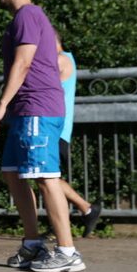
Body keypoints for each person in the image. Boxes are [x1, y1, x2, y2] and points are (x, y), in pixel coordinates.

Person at [0, 0, 85, 272]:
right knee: (13, 174)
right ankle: (32, 244)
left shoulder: (28, 15)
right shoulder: (24, 18)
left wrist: (2, 104)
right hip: (26, 111)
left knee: (46, 177)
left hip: (37, 109)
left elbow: (24, 62)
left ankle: (68, 252)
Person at [55, 31, 102, 237]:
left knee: (46, 178)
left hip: (56, 128)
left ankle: (85, 209)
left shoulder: (61, 60)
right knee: (47, 178)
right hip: (58, 128)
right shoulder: (67, 58)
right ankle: (80, 212)